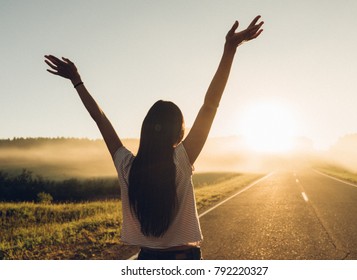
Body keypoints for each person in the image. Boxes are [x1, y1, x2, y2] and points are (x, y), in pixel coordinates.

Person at [44, 15, 264, 260]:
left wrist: (77, 81)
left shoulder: (127, 166)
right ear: (179, 132)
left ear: (146, 129)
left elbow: (100, 119)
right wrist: (230, 49)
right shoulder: (181, 159)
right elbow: (210, 105)